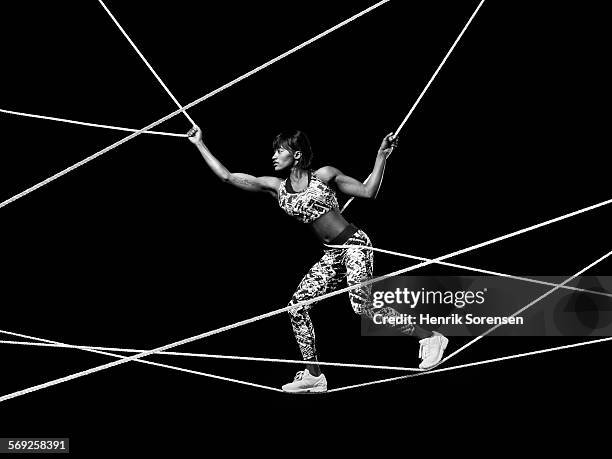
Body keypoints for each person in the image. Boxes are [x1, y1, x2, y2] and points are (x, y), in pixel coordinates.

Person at [187, 126, 448, 393]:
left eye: (280, 150)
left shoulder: (323, 175)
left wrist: (382, 156)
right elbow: (229, 177)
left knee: (362, 306)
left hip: (354, 243)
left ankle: (431, 338)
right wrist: (199, 143)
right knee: (297, 307)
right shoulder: (277, 188)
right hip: (332, 253)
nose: (274, 155)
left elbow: (369, 191)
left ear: (297, 154)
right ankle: (314, 375)